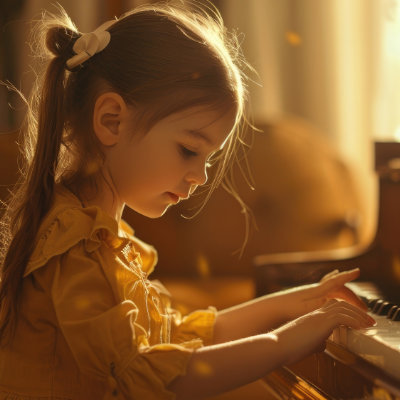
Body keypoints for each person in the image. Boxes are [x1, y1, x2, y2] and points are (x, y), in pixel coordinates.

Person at [0, 2, 375, 399]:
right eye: (188, 150)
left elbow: (176, 334)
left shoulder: (97, 234)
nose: (201, 176)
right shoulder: (76, 247)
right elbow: (151, 374)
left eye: (208, 158)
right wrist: (285, 343)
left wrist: (296, 301)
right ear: (112, 120)